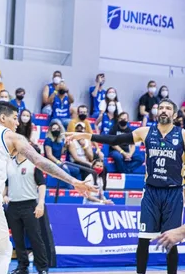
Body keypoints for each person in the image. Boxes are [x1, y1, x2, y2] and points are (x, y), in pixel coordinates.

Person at [0, 102, 95, 274]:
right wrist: (73, 180)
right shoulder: (13, 137)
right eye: (15, 118)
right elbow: (40, 161)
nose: (18, 123)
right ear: (3, 118)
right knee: (4, 252)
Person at [67, 98, 184, 274]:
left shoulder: (182, 135)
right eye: (161, 108)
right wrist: (86, 136)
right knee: (143, 240)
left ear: (174, 115)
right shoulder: (145, 132)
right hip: (151, 192)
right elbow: (115, 138)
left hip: (173, 193)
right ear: (157, 112)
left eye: (168, 108)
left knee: (170, 241)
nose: (164, 111)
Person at [4, 144, 49, 274]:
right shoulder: (9, 164)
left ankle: (42, 268)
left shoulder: (34, 164)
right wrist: (3, 195)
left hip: (29, 205)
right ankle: (22, 267)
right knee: (17, 239)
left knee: (35, 237)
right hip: (13, 206)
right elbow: (6, 184)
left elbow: (41, 184)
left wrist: (40, 203)